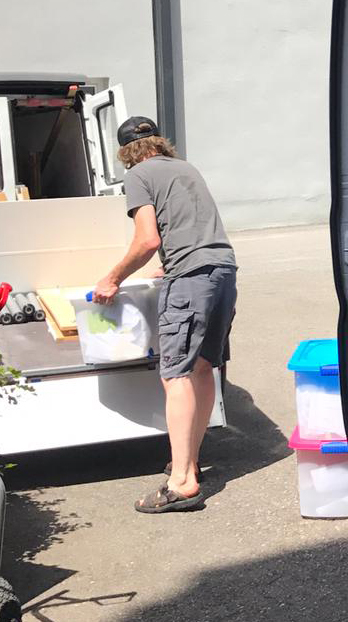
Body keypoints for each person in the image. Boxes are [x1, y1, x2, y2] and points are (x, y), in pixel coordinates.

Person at [93, 116, 238, 513]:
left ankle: (182, 482)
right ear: (160, 143)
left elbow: (147, 239)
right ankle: (189, 461)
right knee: (203, 368)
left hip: (191, 278)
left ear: (127, 153)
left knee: (175, 375)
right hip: (223, 269)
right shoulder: (186, 168)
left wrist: (112, 278)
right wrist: (169, 263)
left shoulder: (138, 175)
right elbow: (190, 227)